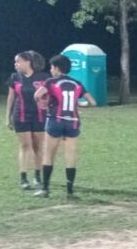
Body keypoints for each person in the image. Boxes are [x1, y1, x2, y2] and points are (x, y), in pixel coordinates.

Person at [33, 54, 96, 198]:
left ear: (56, 68)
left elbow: (37, 95)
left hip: (55, 120)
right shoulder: (77, 83)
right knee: (70, 156)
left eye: (51, 67)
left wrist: (42, 104)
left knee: (49, 155)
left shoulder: (51, 82)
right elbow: (93, 102)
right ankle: (70, 191)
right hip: (72, 122)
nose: (51, 70)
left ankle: (45, 189)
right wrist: (79, 104)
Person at [5, 50, 50, 190]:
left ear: (27, 62)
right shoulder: (15, 77)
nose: (15, 64)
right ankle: (23, 177)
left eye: (18, 61)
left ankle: (37, 176)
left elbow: (50, 96)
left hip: (40, 116)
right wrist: (8, 117)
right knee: (25, 146)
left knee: (38, 146)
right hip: (21, 116)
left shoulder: (44, 77)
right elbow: (11, 97)